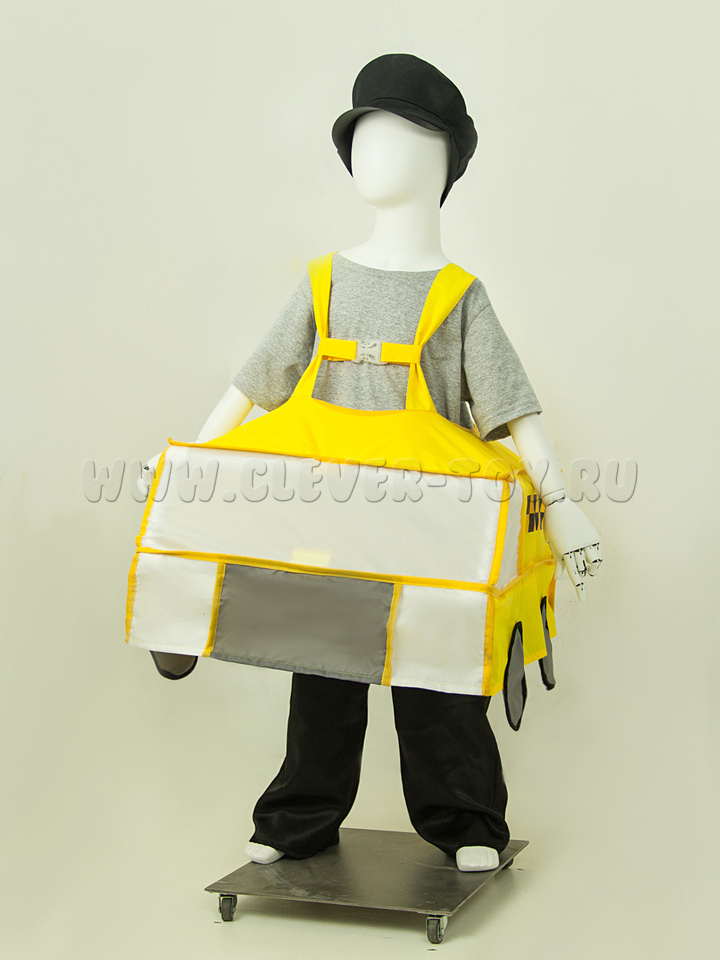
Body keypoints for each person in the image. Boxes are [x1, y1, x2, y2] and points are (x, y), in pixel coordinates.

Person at [140, 54, 601, 872]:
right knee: (322, 668)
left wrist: (559, 506)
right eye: (363, 135)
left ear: (443, 161)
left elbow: (512, 407)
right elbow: (256, 383)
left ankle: (466, 820)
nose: (370, 151)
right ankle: (298, 817)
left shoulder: (459, 296)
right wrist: (193, 459)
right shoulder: (323, 281)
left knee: (439, 674)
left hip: (430, 525)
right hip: (329, 519)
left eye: (397, 135)